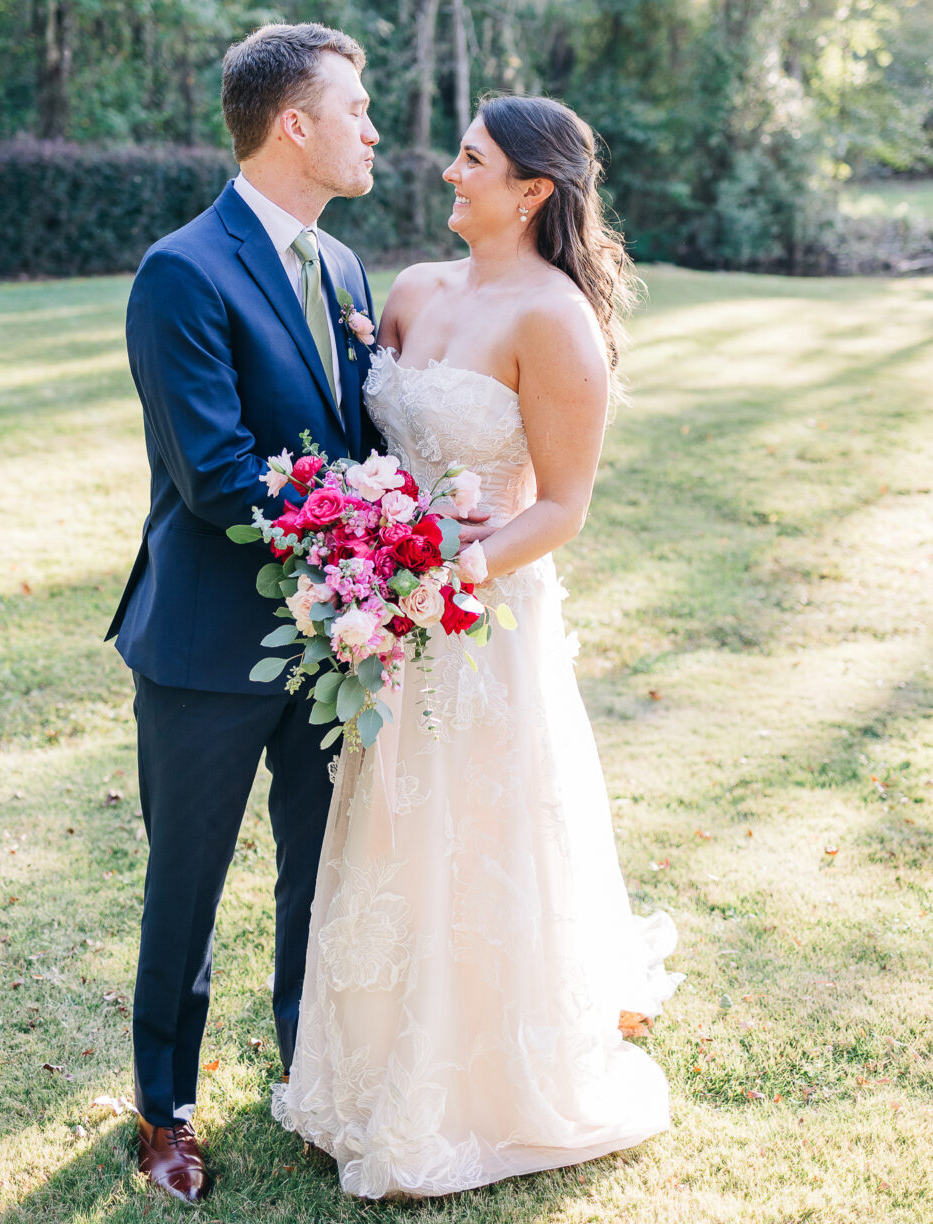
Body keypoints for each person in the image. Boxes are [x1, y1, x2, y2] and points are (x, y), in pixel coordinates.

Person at [273, 94, 682, 1199]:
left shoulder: (555, 323)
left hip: (476, 618)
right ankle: (362, 1070)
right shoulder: (411, 290)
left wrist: (433, 574)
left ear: (531, 190)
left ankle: (474, 1089)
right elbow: (379, 431)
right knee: (391, 827)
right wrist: (368, 556)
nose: (448, 172)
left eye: (471, 159)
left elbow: (561, 509)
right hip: (384, 616)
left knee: (475, 833)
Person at [106, 22, 382, 1203]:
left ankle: (305, 1076)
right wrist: (374, 529)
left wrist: (379, 568)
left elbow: (356, 430)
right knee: (190, 880)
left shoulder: (349, 268)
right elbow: (217, 477)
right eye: (355, 111)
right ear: (294, 126)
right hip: (206, 646)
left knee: (318, 873)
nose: (374, 132)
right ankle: (163, 1110)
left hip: (333, 641)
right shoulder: (183, 270)